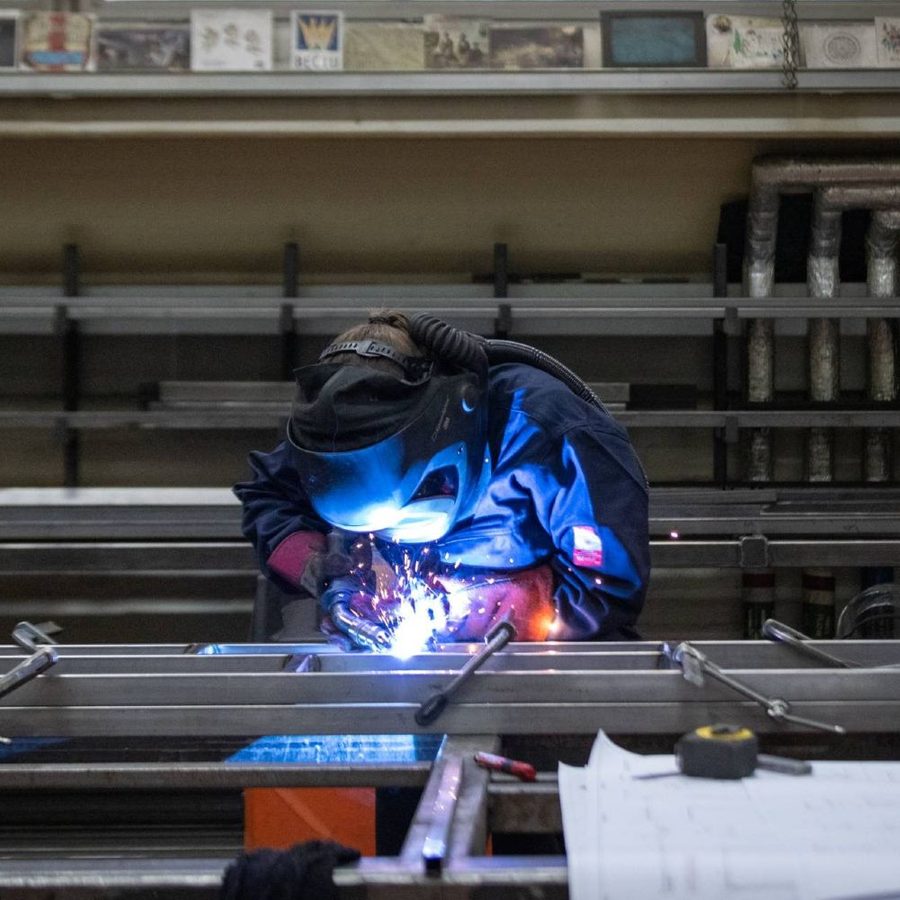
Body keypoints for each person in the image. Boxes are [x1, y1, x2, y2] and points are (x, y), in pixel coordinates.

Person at [234, 311, 650, 649]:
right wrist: (329, 576)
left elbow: (608, 586)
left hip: (543, 660)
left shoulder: (552, 433)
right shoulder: (332, 435)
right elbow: (270, 500)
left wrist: (527, 602)